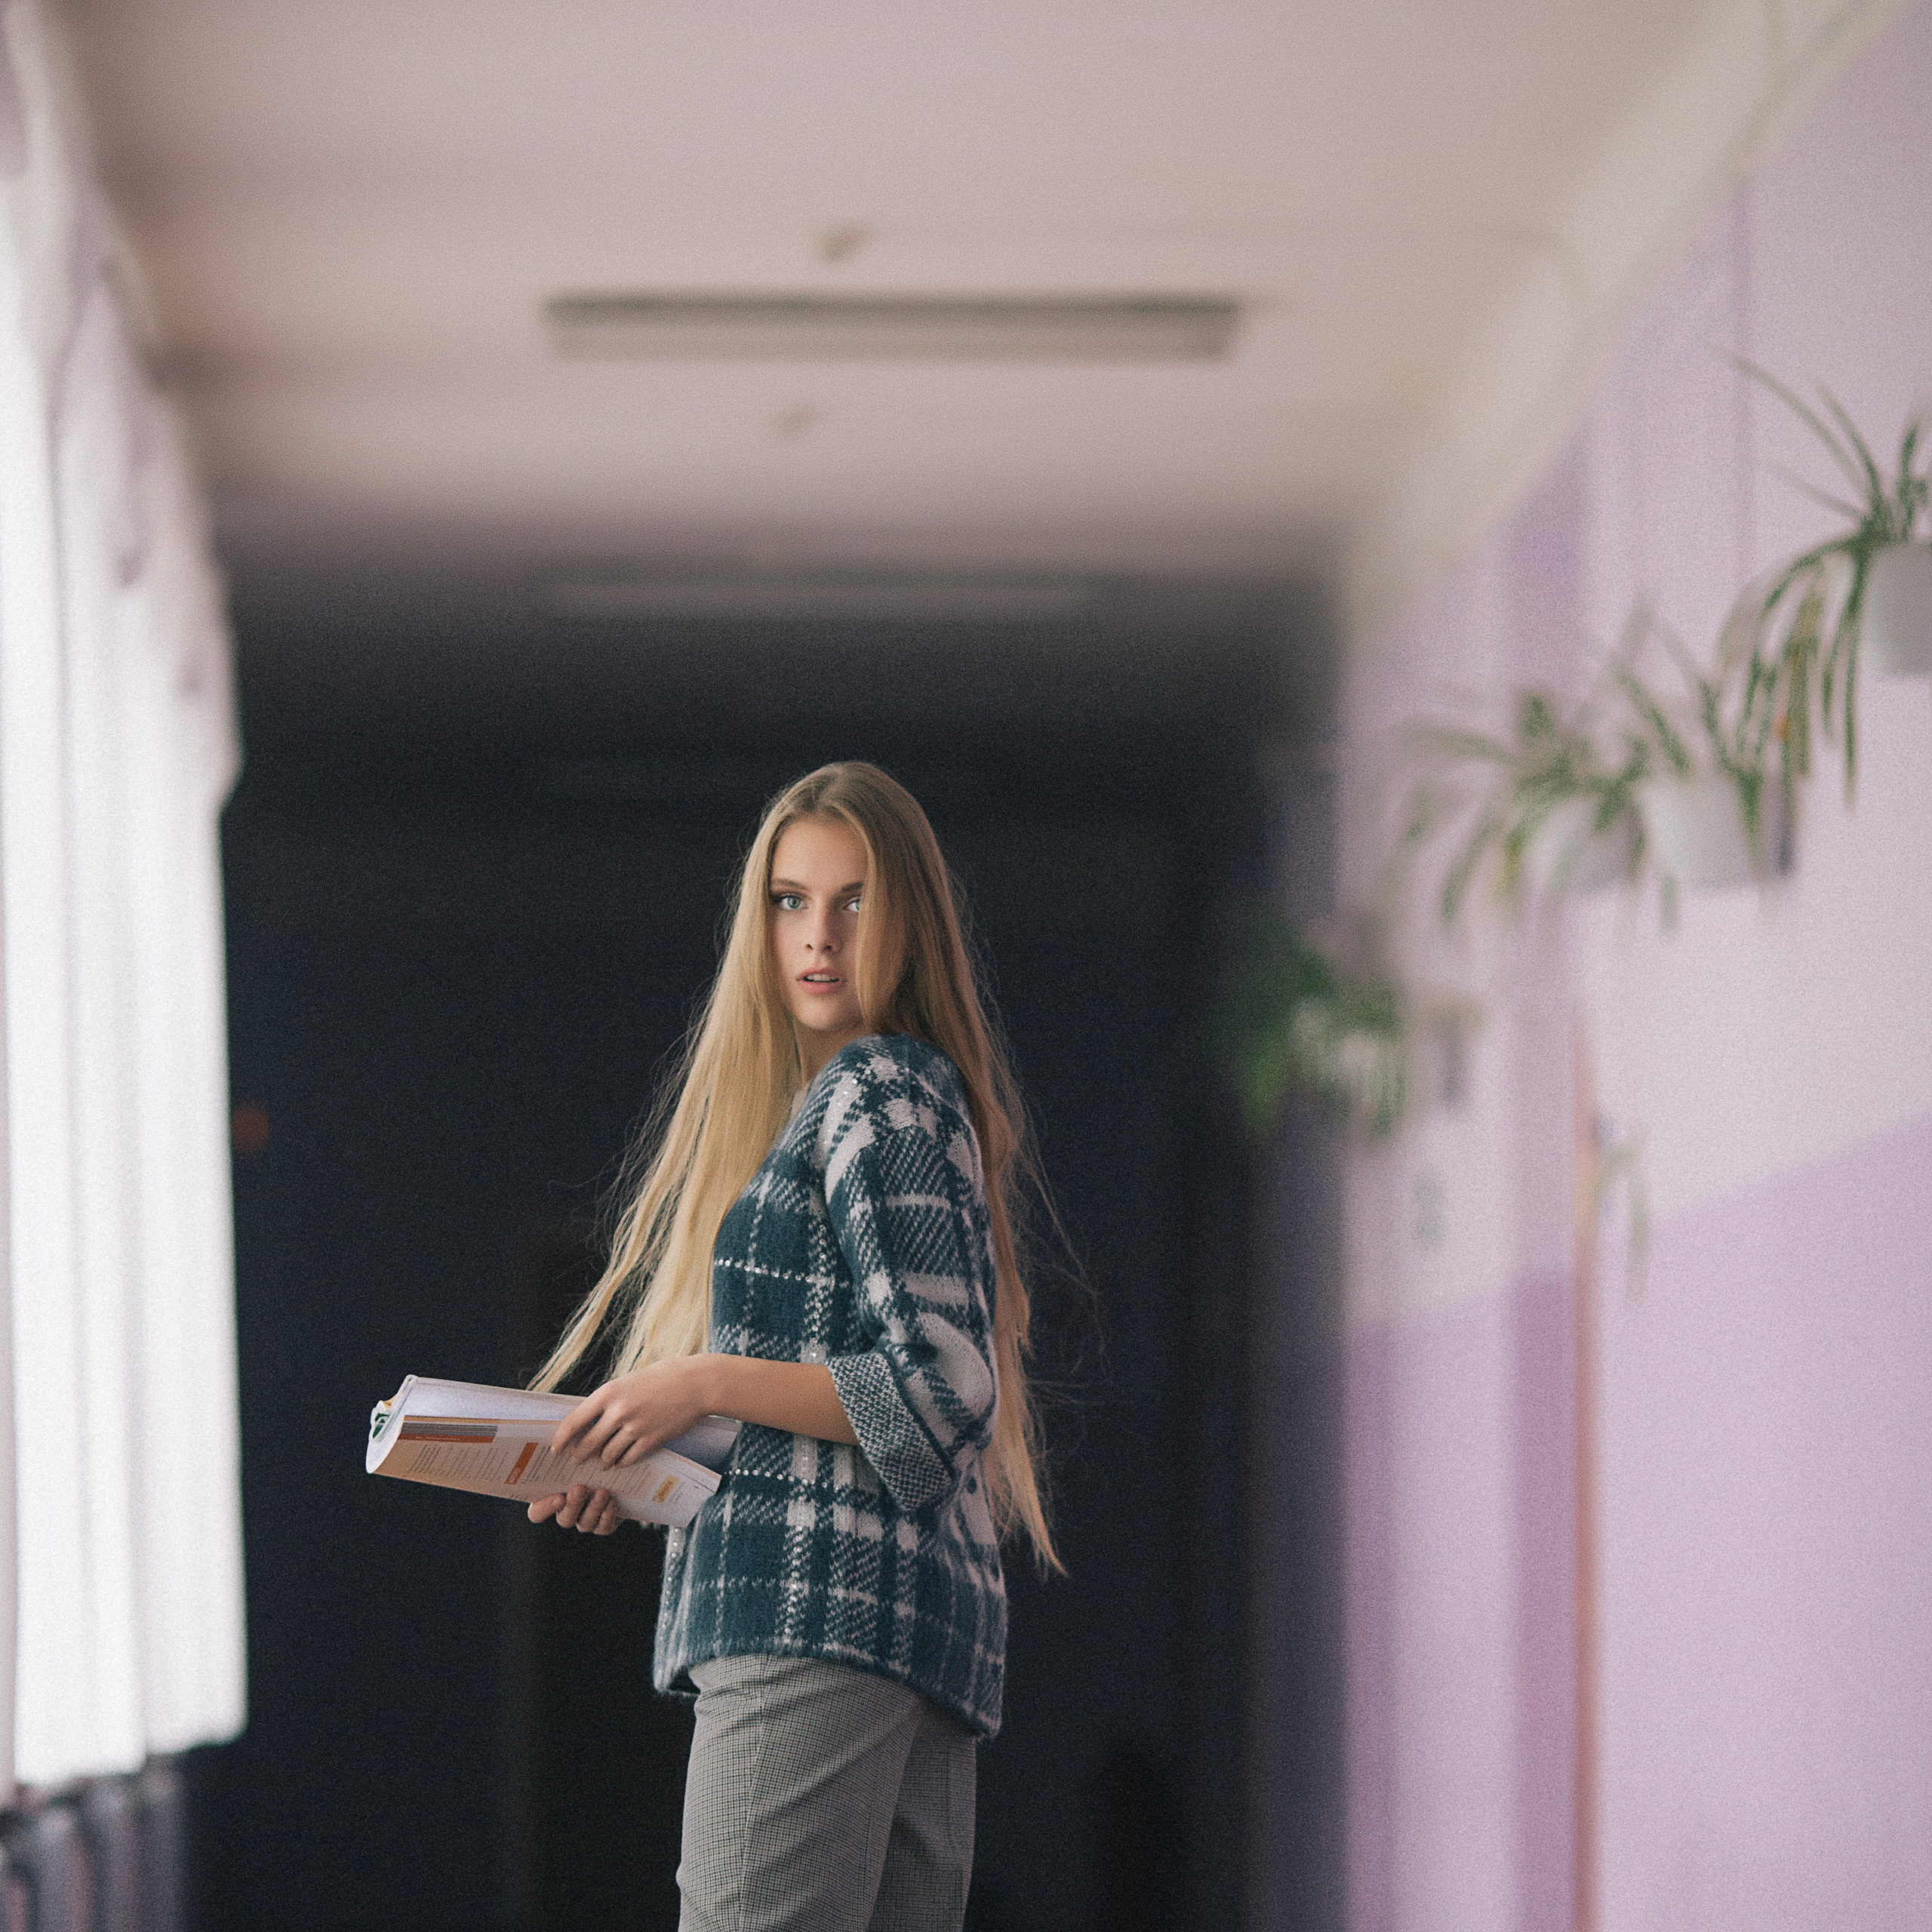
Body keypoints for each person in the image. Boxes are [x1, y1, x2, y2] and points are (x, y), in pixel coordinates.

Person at [525, 760, 1059, 1932]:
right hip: (895, 1629)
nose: (818, 935)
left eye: (854, 900)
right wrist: (654, 1460)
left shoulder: (880, 1093)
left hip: (813, 1613)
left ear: (909, 919)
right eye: (789, 901)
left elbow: (938, 1392)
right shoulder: (878, 1101)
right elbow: (852, 1401)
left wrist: (700, 1381)